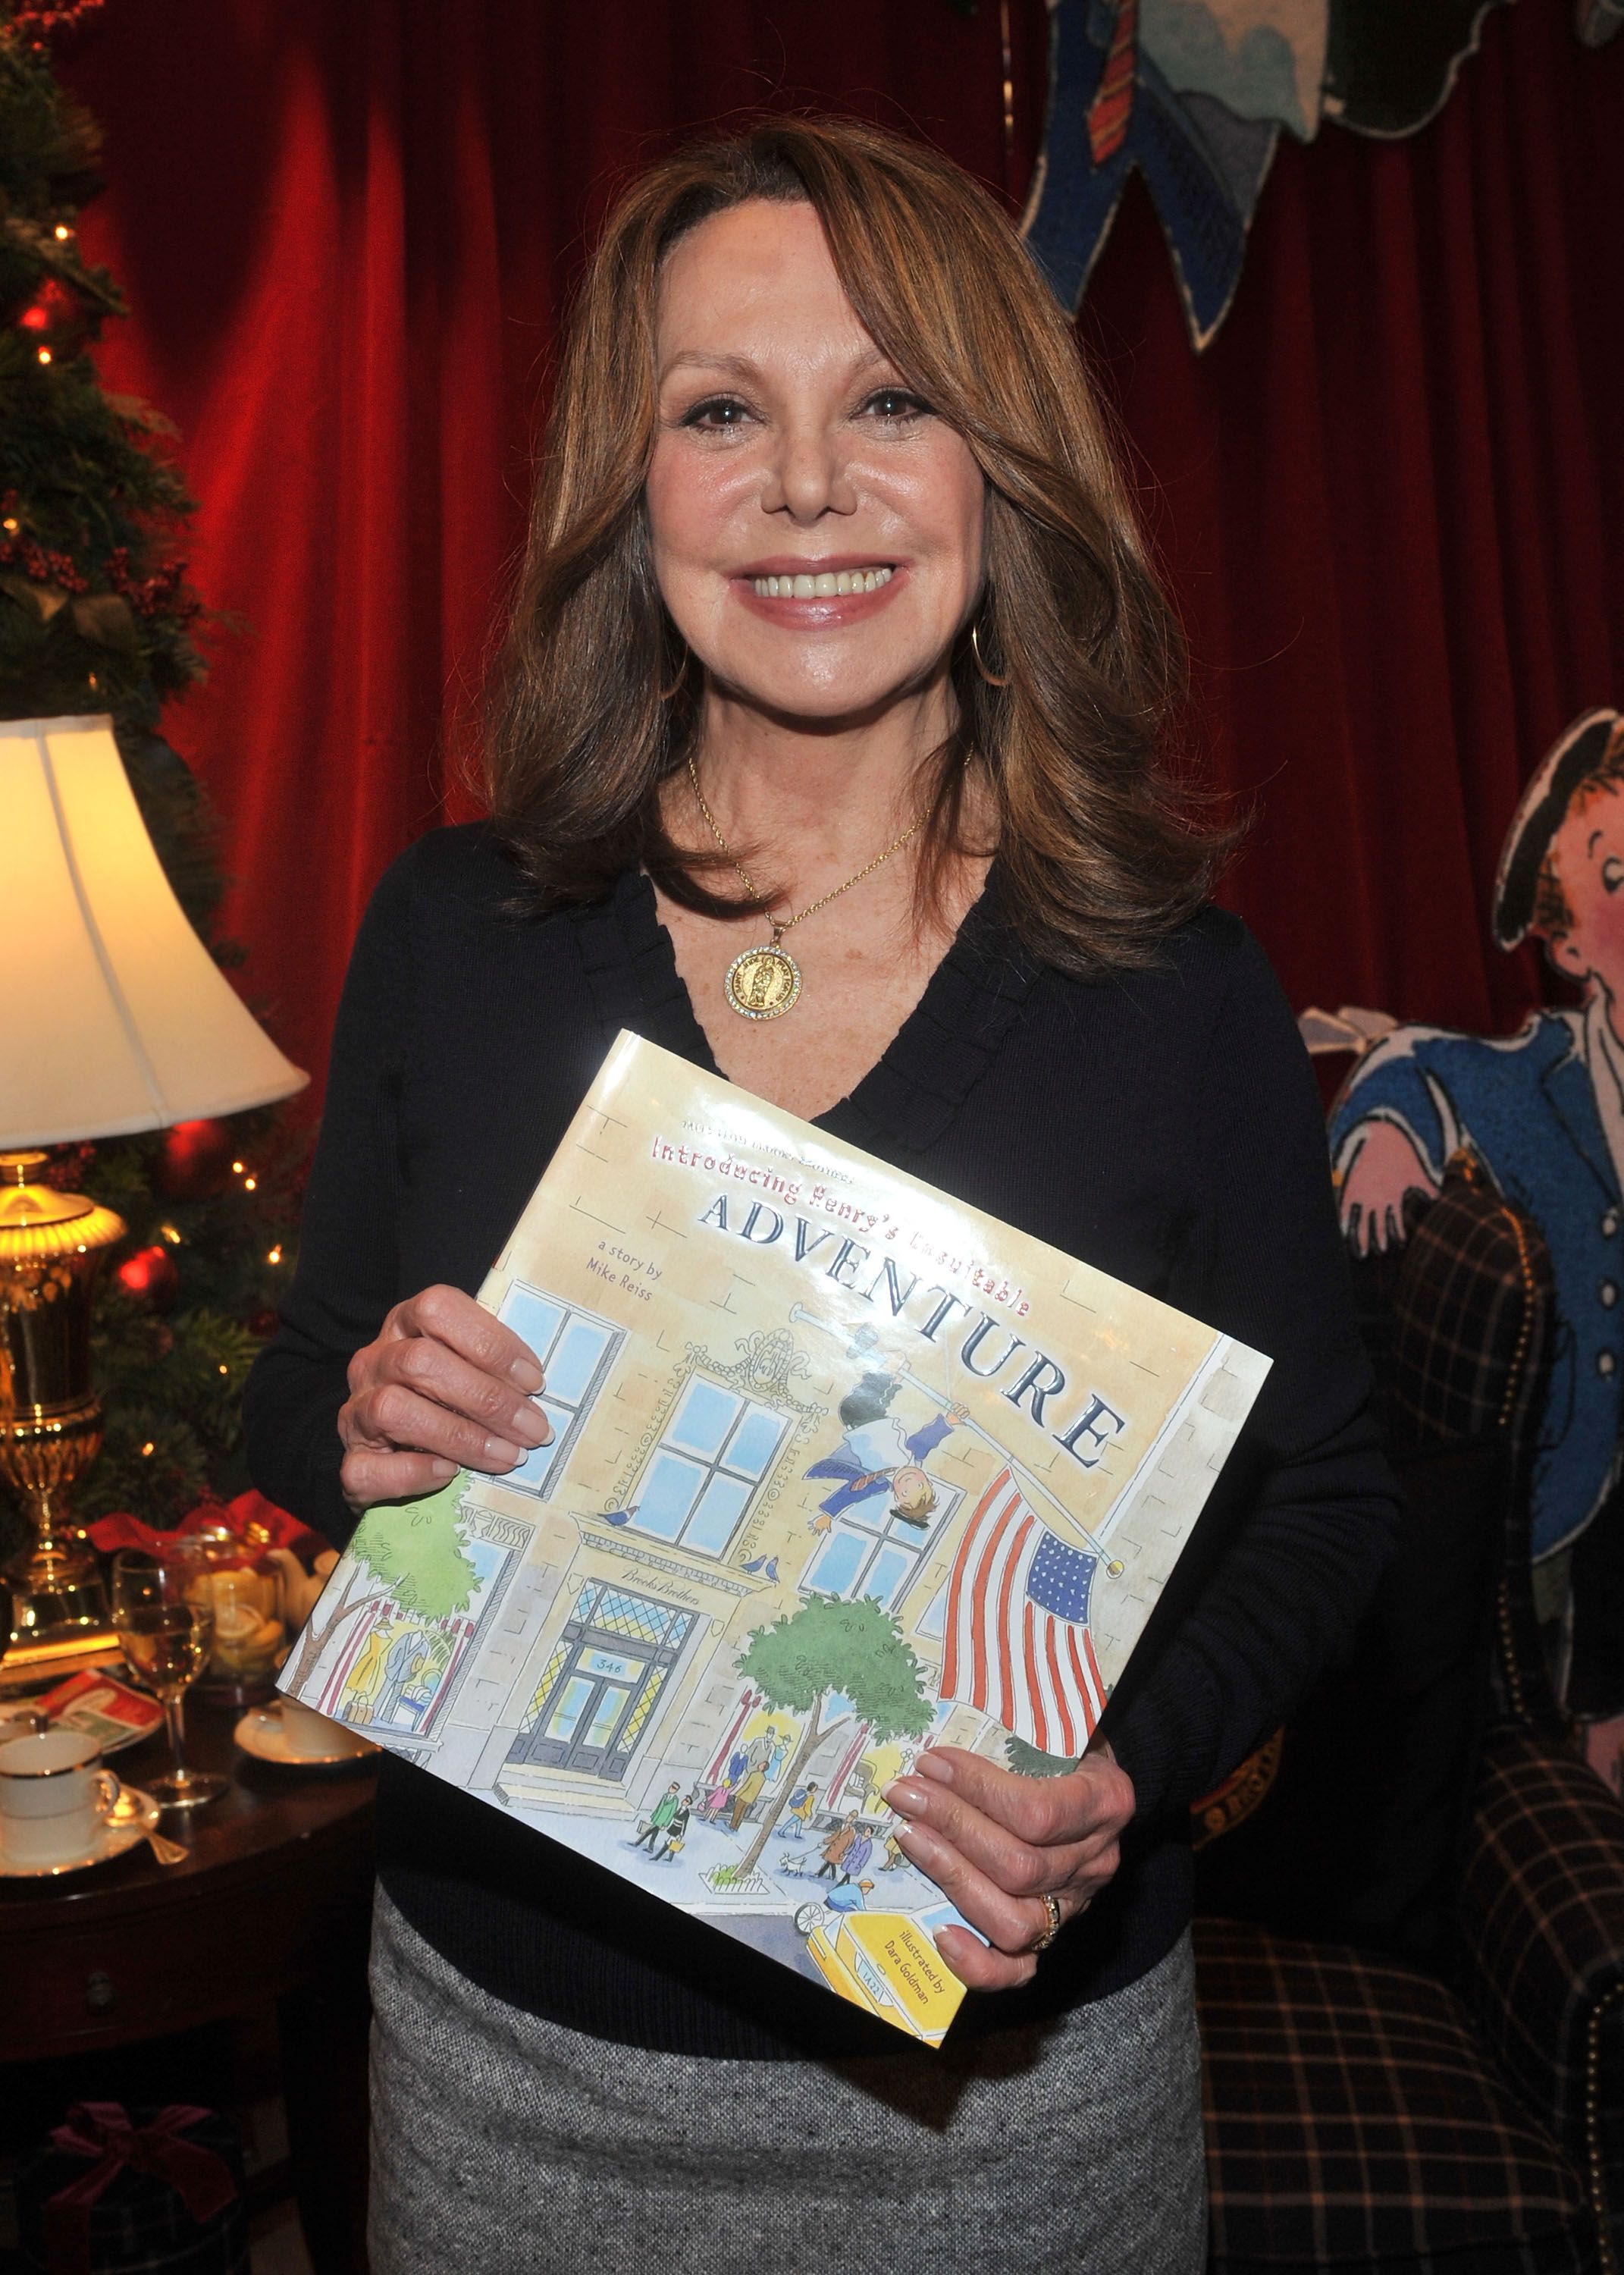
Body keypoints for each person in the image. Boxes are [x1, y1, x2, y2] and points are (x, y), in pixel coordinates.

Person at [244, 116, 1397, 2274]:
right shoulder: (455, 931)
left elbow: (1325, 1496)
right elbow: (302, 1391)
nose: (802, 487)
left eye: (887, 400)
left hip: (1017, 2129)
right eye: (715, 412)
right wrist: (373, 1429)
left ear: (999, 470)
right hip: (517, 2091)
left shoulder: (1170, 987)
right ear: (632, 488)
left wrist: (1113, 1773)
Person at [1331, 708, 1624, 1740]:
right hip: (1580, 1511)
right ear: (1563, 937)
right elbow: (1411, 1060)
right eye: (1615, 879)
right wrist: (1381, 1137)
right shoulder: (1538, 1080)